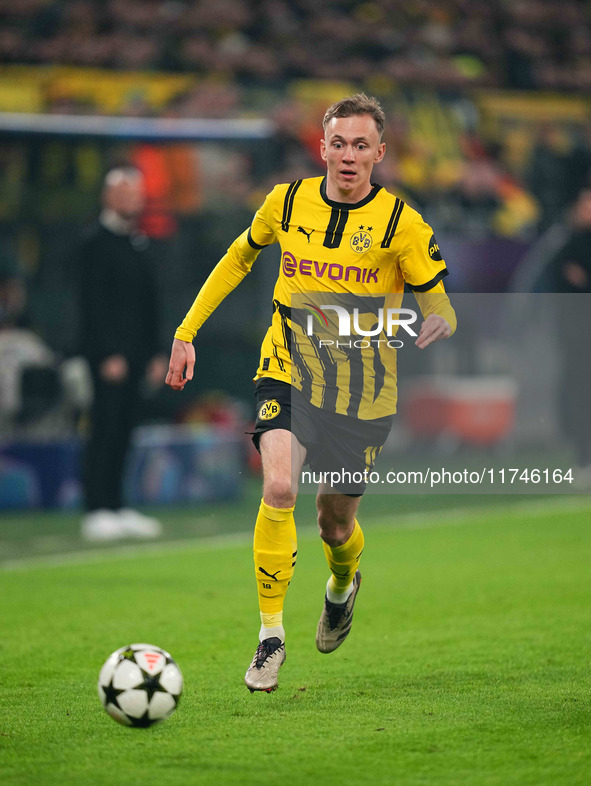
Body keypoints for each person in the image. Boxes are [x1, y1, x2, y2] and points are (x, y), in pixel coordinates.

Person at [166, 94, 457, 692]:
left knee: (333, 525)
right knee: (277, 485)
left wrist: (439, 317)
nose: (348, 156)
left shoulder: (403, 223)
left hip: (361, 393)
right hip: (288, 367)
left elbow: (437, 296)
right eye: (338, 143)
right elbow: (237, 259)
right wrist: (186, 331)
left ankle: (342, 586)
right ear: (321, 147)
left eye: (361, 145)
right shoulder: (285, 201)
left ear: (381, 152)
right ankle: (270, 634)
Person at [78, 166, 167, 541]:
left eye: (138, 193)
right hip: (109, 359)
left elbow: (152, 304)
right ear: (108, 196)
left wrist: (157, 353)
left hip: (138, 356)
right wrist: (105, 354)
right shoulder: (94, 244)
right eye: (126, 192)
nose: (135, 199)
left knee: (128, 430)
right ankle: (96, 507)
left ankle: (117, 504)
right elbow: (91, 307)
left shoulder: (139, 243)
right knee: (105, 428)